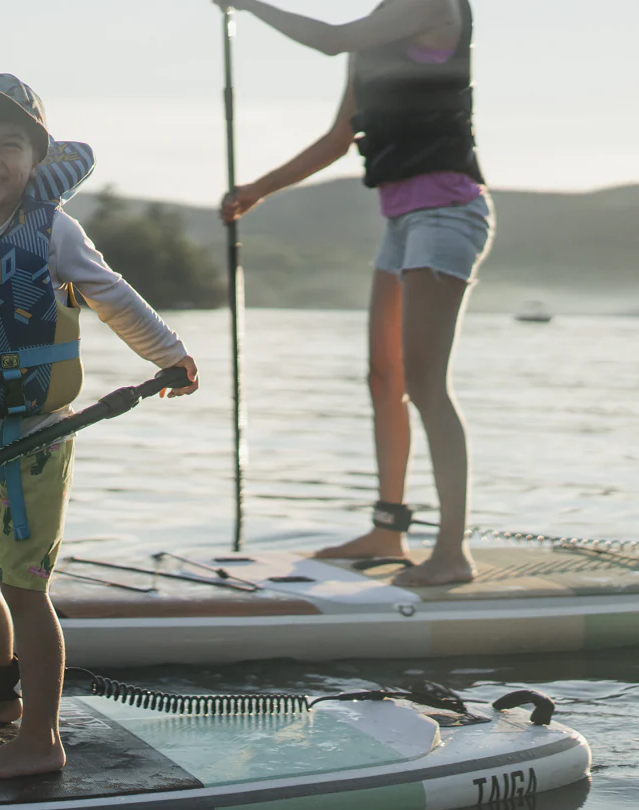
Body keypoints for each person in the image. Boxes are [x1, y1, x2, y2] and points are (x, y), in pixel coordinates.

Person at [0, 73, 199, 778]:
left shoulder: (52, 230)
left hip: (37, 436)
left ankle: (41, 739)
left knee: (25, 583)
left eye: (11, 144)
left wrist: (170, 355)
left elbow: (110, 293)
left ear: (36, 162)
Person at [217, 0, 494, 587]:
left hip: (447, 211)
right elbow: (339, 138)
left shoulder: (431, 5)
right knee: (383, 379)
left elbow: (328, 38)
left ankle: (452, 552)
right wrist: (256, 190)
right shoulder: (376, 34)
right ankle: (388, 528)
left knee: (424, 383)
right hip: (401, 222)